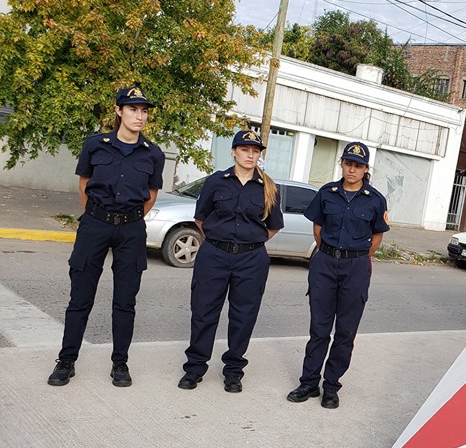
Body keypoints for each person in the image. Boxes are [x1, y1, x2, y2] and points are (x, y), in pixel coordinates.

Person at [47, 87, 166, 387]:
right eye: (133, 109)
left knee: (125, 301)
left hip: (131, 229)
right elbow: (84, 186)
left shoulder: (153, 154)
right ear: (118, 111)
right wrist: (97, 218)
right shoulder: (95, 145)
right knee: (80, 298)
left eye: (144, 110)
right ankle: (66, 360)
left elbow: (150, 196)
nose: (140, 116)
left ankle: (120, 364)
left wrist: (126, 219)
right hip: (95, 225)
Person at [178, 130, 284, 393]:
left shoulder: (269, 187)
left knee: (243, 315)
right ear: (234, 151)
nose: (250, 155)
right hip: (214, 254)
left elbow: (272, 227)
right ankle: (194, 368)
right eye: (245, 149)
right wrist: (221, 241)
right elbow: (201, 219)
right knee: (203, 312)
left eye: (255, 151)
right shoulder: (216, 182)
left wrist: (248, 243)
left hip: (251, 258)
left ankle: (234, 371)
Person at [287, 141, 389, 409]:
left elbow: (377, 236)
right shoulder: (326, 193)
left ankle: (331, 386)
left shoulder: (376, 200)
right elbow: (317, 228)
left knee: (345, 332)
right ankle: (309, 382)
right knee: (319, 329)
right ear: (341, 164)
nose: (351, 169)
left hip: (355, 267)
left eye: (358, 165)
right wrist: (328, 253)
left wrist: (359, 257)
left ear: (366, 169)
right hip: (325, 264)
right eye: (348, 163)